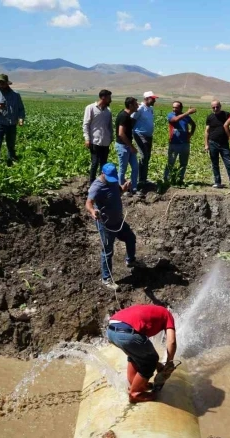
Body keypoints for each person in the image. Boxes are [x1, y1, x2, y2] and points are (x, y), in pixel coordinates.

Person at [106, 304, 177, 403]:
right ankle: (135, 394)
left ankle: (134, 385)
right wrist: (169, 364)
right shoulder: (167, 314)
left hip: (111, 331)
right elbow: (172, 341)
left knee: (137, 355)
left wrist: (158, 365)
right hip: (127, 333)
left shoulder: (148, 310)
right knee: (151, 359)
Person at [85, 163, 137, 291]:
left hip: (118, 221)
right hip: (106, 224)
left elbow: (116, 191)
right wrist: (93, 212)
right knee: (107, 251)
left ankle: (130, 260)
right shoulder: (97, 187)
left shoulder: (112, 181)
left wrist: (124, 188)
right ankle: (106, 278)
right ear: (103, 173)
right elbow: (88, 203)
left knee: (130, 238)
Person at [0, 74, 25, 166]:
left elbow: (21, 108)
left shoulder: (16, 95)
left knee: (11, 144)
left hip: (12, 123)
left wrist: (21, 118)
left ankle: (11, 162)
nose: (1, 85)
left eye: (3, 83)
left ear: (7, 84)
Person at [83, 90, 114, 185]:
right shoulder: (90, 108)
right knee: (95, 162)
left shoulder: (108, 111)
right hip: (94, 140)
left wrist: (111, 137)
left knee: (104, 163)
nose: (110, 100)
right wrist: (87, 138)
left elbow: (109, 126)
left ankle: (102, 182)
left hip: (105, 141)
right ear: (103, 97)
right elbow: (86, 124)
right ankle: (91, 182)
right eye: (109, 98)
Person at [205, 100, 230, 189]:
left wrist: (229, 133)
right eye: (213, 107)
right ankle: (217, 182)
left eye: (217, 107)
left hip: (224, 143)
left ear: (220, 106)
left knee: (228, 163)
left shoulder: (226, 115)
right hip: (212, 142)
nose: (215, 109)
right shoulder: (210, 117)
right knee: (215, 164)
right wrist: (206, 144)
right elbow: (207, 131)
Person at [164, 101, 197, 184]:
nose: (174, 109)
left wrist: (191, 133)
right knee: (170, 163)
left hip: (185, 143)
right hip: (174, 143)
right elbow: (175, 120)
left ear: (181, 108)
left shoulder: (186, 117)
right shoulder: (170, 115)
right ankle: (166, 180)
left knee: (183, 163)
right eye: (173, 107)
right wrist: (188, 112)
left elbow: (193, 124)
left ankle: (180, 179)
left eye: (176, 107)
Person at [132, 91, 158, 190]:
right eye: (153, 98)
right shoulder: (140, 108)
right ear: (147, 99)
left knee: (147, 157)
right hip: (140, 134)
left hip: (148, 136)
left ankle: (144, 178)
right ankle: (141, 180)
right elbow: (132, 121)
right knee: (143, 156)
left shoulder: (150, 109)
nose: (154, 100)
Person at [115, 97, 139, 195]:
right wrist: (131, 146)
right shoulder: (123, 116)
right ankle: (122, 188)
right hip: (123, 146)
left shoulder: (127, 116)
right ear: (130, 105)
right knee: (122, 168)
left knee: (135, 166)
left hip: (127, 146)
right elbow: (121, 133)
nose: (137, 106)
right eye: (136, 104)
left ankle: (133, 187)